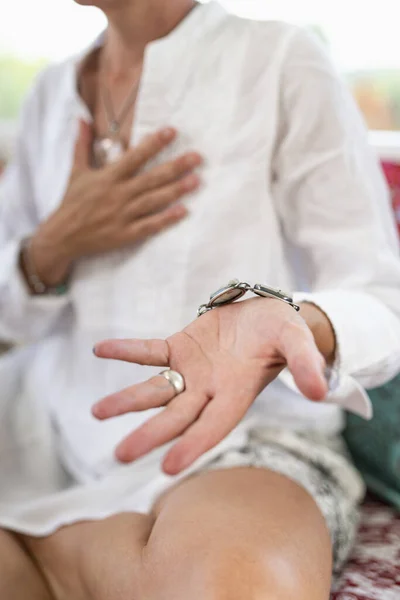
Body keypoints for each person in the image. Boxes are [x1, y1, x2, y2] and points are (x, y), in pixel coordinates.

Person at [0, 1, 400, 598]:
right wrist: (49, 249)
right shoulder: (51, 94)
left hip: (240, 444)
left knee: (236, 583)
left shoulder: (279, 60)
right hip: (39, 435)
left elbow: (380, 300)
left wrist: (289, 320)